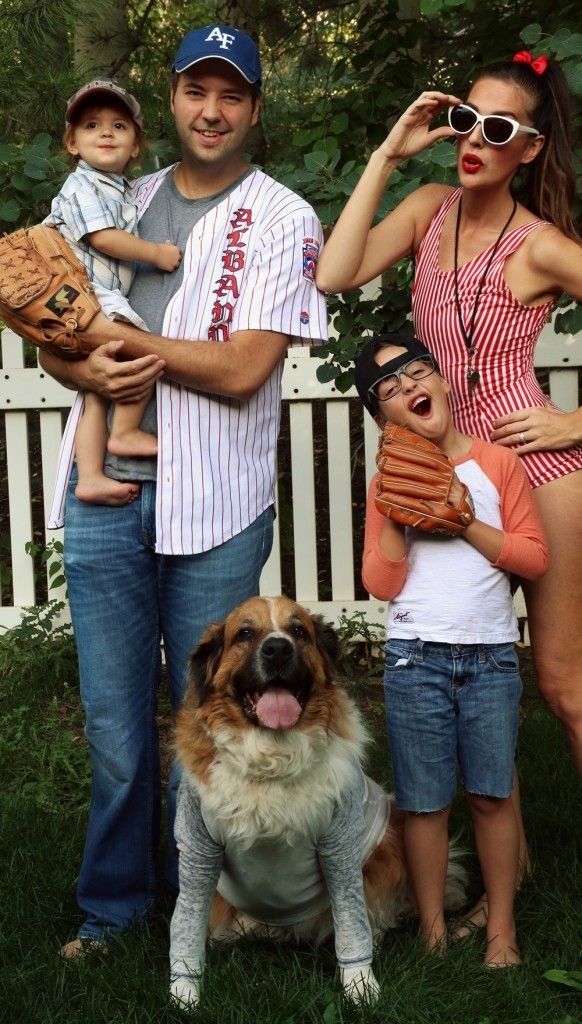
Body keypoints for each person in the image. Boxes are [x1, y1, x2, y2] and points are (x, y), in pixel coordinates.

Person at [40, 23, 328, 957]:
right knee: (119, 728)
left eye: (232, 94)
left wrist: (125, 352)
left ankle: (211, 902)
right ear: (170, 97)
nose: (211, 110)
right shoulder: (124, 195)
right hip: (105, 496)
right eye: (196, 91)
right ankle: (117, 907)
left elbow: (245, 369)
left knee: (214, 713)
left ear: (253, 108)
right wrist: (82, 369)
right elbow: (54, 318)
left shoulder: (284, 215)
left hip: (216, 500)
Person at [316, 52, 582, 932]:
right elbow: (335, 273)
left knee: (561, 685)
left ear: (530, 148)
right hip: (441, 469)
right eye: (467, 120)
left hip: (534, 466)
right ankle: (517, 877)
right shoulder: (429, 211)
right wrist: (391, 152)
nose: (475, 140)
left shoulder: (544, 242)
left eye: (499, 130)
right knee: (467, 664)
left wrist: (575, 425)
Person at [354, 332, 548, 965]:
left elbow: (535, 558)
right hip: (415, 657)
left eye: (416, 373)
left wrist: (461, 520)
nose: (408, 388)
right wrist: (399, 520)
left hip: (490, 656)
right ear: (382, 414)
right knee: (423, 800)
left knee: (492, 794)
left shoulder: (497, 465)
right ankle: (433, 933)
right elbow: (380, 583)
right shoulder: (391, 480)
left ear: (442, 381)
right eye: (388, 389)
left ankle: (501, 933)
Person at [44, 78, 183, 506]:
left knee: (94, 391)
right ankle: (124, 433)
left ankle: (88, 475)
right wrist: (156, 254)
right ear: (72, 142)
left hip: (84, 299)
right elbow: (103, 237)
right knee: (137, 348)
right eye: (91, 125)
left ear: (136, 146)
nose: (106, 133)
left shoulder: (119, 187)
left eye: (119, 126)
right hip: (88, 295)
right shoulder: (83, 185)